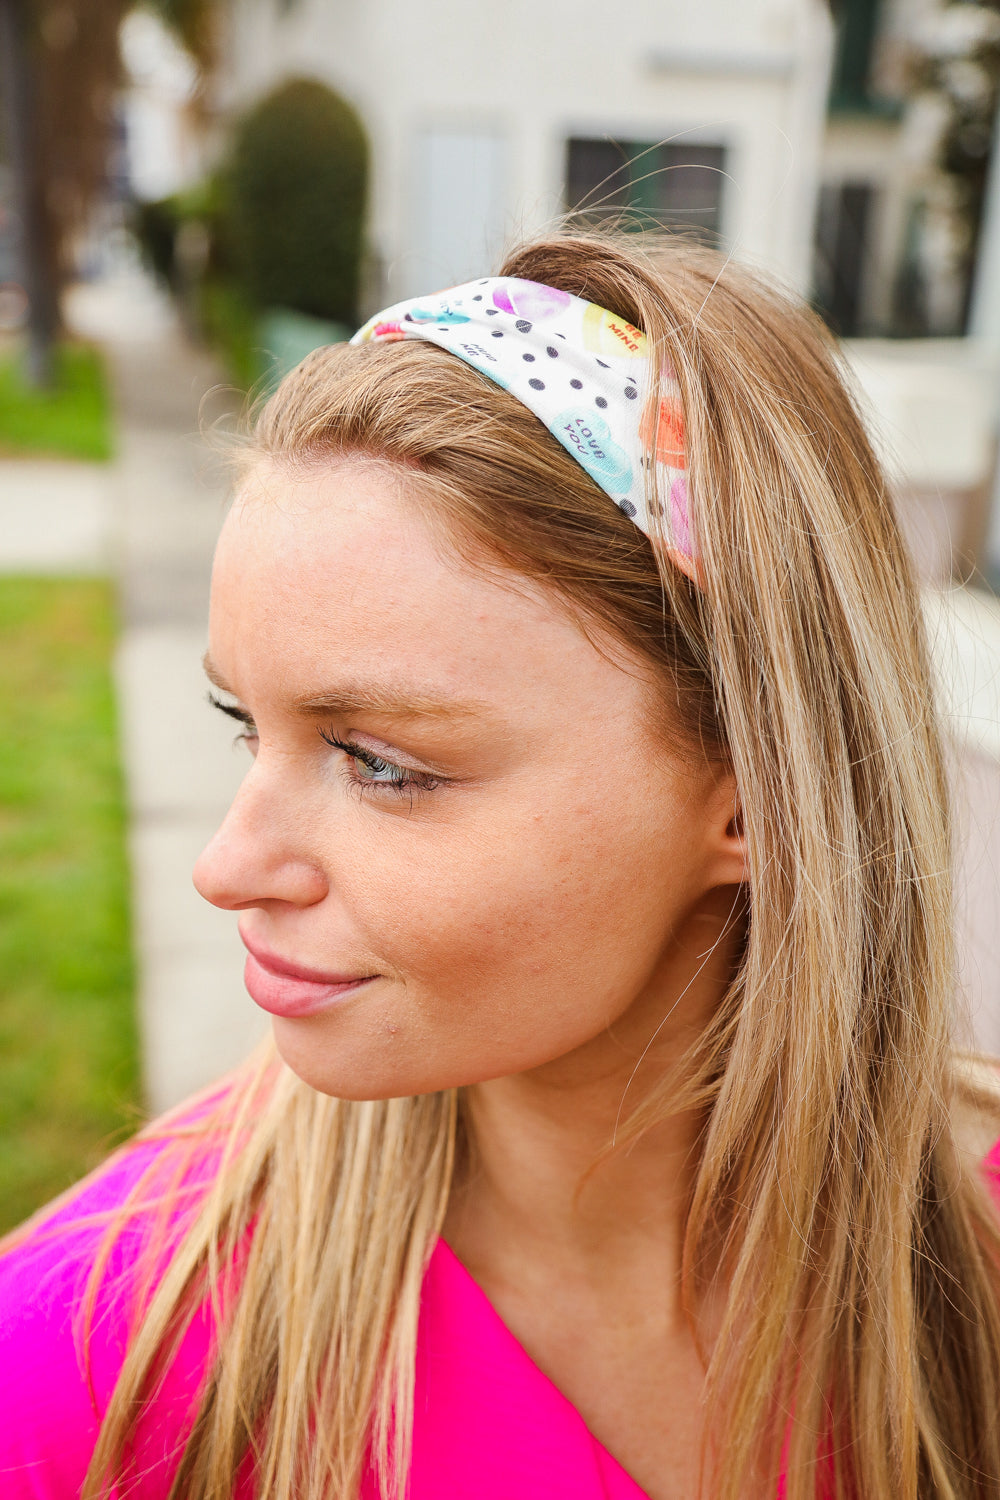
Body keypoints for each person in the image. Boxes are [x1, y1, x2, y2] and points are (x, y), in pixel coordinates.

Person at [3, 232, 1000, 1500]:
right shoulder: (92, 1360)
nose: (227, 866)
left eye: (380, 763)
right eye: (245, 724)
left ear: (755, 795)